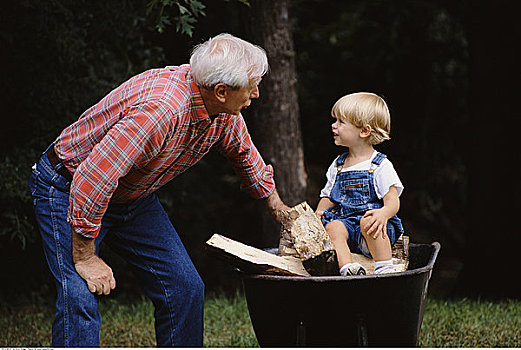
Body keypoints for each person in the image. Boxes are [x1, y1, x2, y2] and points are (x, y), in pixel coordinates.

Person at [29, 33, 289, 347]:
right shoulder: (162, 111)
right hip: (67, 187)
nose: (257, 93)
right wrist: (85, 258)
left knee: (185, 288)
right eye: (252, 85)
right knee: (79, 296)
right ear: (221, 91)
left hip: (129, 196)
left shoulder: (219, 111)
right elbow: (93, 177)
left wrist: (278, 207)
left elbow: (243, 153)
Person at [315, 92, 404, 276]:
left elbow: (393, 200)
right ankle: (347, 268)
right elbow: (328, 196)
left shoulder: (379, 165)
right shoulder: (338, 165)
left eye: (341, 122)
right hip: (347, 226)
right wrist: (319, 213)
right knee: (334, 227)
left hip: (374, 228)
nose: (334, 126)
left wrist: (383, 214)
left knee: (368, 221)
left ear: (364, 131)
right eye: (335, 120)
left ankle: (384, 267)